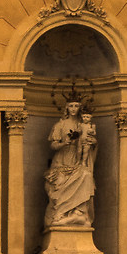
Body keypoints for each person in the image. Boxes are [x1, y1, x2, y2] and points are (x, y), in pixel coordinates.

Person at [44, 99, 98, 235]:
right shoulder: (60, 125)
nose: (74, 109)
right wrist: (65, 143)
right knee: (59, 185)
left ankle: (79, 213)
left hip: (79, 160)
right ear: (66, 108)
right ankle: (61, 215)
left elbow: (92, 143)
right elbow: (53, 145)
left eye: (76, 106)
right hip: (62, 162)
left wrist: (94, 142)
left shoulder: (85, 125)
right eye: (71, 106)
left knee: (86, 176)